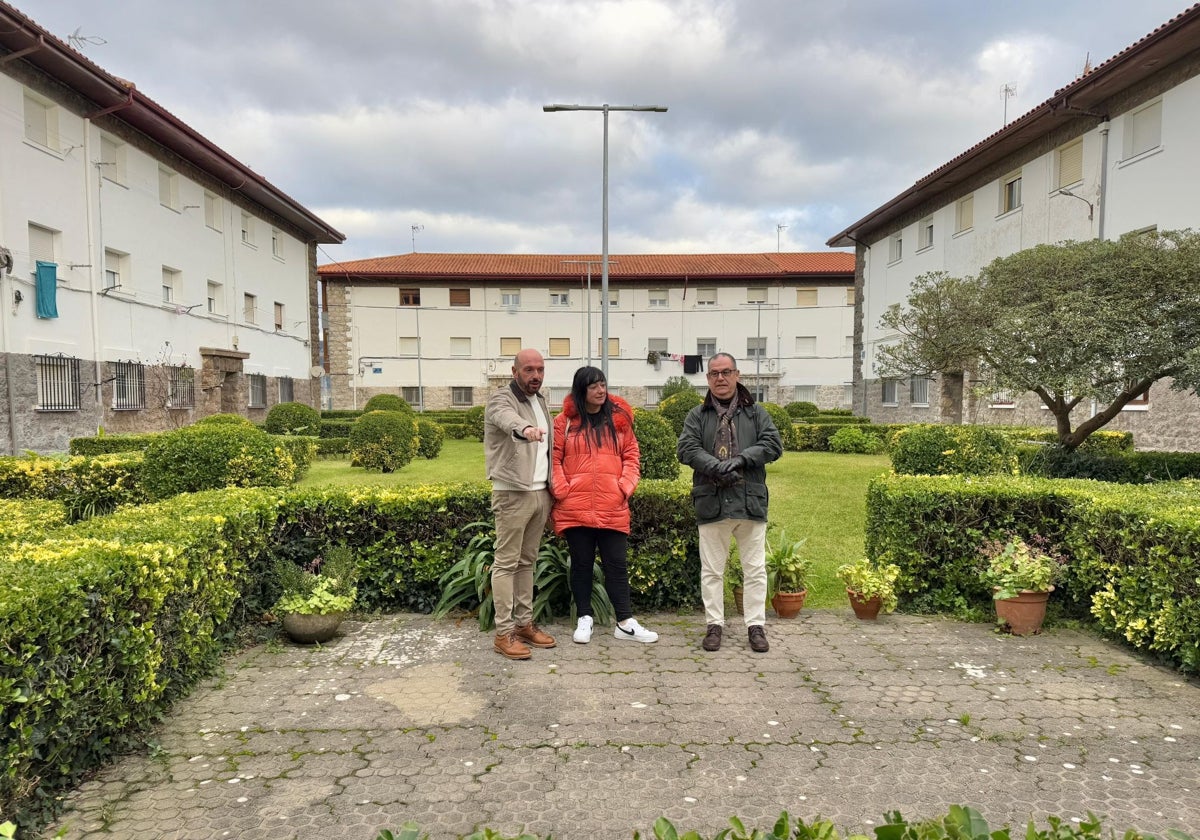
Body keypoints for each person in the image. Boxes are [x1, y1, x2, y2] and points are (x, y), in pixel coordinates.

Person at [676, 352, 783, 653]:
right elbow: (686, 448)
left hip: (749, 501)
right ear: (707, 379)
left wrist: (739, 460)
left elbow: (773, 445)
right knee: (712, 570)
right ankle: (714, 625)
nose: (720, 378)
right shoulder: (697, 416)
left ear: (737, 375)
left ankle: (755, 626)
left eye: (726, 372)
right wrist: (713, 466)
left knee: (755, 569)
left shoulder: (756, 413)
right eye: (714, 373)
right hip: (712, 500)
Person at [551, 366, 658, 645]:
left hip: (612, 504)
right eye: (594, 386)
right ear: (581, 390)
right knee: (582, 565)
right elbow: (554, 460)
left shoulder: (619, 421)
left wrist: (624, 487)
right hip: (576, 506)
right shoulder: (564, 422)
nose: (601, 390)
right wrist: (563, 489)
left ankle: (624, 622)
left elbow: (632, 457)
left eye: (603, 384)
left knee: (617, 565)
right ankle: (584, 618)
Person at [484, 348, 557, 660]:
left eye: (539, 369)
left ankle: (524, 623)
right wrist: (525, 430)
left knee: (527, 562)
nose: (535, 375)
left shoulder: (540, 400)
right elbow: (505, 418)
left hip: (540, 492)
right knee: (506, 563)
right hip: (513, 492)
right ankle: (503, 633)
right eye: (528, 369)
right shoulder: (501, 399)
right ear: (514, 372)